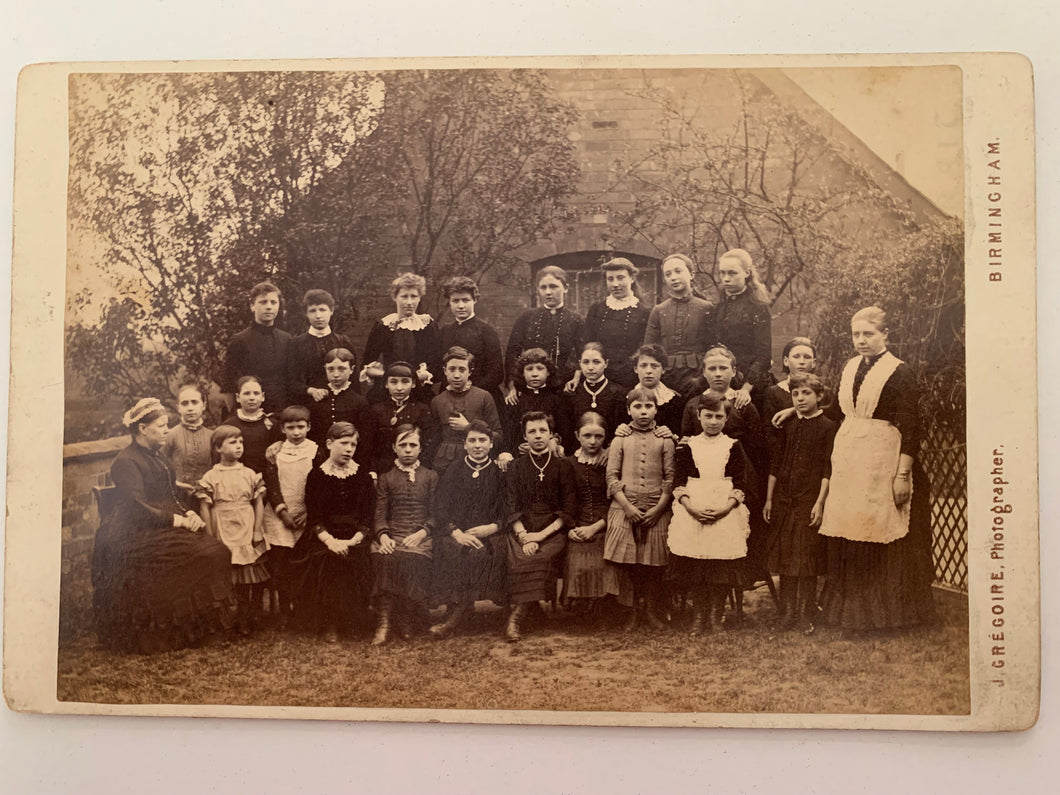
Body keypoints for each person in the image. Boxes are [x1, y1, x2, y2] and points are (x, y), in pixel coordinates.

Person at [816, 306, 935, 632]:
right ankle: (848, 614)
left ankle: (888, 616)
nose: (861, 340)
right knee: (851, 528)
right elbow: (839, 411)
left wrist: (902, 475)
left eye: (868, 334)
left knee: (879, 527)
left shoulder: (900, 372)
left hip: (884, 459)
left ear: (885, 335)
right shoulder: (851, 366)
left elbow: (912, 427)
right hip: (851, 459)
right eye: (856, 334)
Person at [91, 398, 235, 653]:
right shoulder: (126, 462)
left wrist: (190, 513)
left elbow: (170, 494)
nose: (167, 430)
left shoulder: (157, 457)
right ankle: (171, 631)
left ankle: (198, 627)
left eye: (167, 424)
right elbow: (138, 507)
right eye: (161, 425)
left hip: (159, 524)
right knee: (205, 554)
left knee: (216, 549)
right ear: (143, 429)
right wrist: (178, 521)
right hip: (131, 533)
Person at [680, 345, 771, 594]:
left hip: (737, 478)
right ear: (704, 373)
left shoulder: (744, 404)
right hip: (702, 478)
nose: (718, 373)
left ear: (734, 372)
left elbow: (757, 450)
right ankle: (701, 592)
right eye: (712, 368)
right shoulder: (693, 405)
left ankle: (730, 583)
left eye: (723, 368)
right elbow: (686, 441)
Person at [668, 393, 752, 635]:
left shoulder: (733, 446)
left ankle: (717, 615)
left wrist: (725, 508)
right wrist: (690, 507)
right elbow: (678, 481)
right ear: (698, 416)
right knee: (697, 567)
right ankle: (699, 615)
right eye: (708, 416)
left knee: (719, 566)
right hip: (693, 507)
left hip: (724, 510)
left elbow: (740, 482)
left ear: (726, 419)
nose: (713, 422)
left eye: (718, 417)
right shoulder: (687, 446)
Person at [764, 373, 836, 634]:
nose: (801, 398)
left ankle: (806, 614)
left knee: (806, 560)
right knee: (786, 559)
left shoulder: (828, 427)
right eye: (796, 394)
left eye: (806, 393)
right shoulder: (788, 426)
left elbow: (829, 468)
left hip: (808, 501)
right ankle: (786, 614)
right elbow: (776, 463)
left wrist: (820, 503)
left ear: (819, 396)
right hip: (784, 500)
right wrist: (770, 498)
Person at [290, 422, 375, 642]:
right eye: (344, 443)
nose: (349, 449)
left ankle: (355, 620)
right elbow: (315, 518)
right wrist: (331, 541)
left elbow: (367, 518)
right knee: (327, 560)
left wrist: (352, 540)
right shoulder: (317, 476)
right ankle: (330, 622)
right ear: (329, 444)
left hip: (356, 535)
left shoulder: (362, 476)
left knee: (358, 558)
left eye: (353, 444)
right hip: (324, 534)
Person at [604, 385, 675, 631]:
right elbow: (612, 477)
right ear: (628, 410)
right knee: (629, 564)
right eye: (638, 406)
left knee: (653, 564)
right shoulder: (620, 439)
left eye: (648, 406)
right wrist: (627, 507)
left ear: (656, 409)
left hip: (657, 507)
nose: (643, 412)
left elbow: (670, 478)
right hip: (624, 506)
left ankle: (651, 609)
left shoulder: (665, 439)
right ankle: (632, 611)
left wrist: (658, 509)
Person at [429, 420, 509, 639]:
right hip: (458, 532)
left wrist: (491, 527)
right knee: (451, 549)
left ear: (491, 444)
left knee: (490, 552)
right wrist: (456, 532)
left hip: (491, 532)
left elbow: (508, 507)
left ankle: (463, 615)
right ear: (464, 444)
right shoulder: (454, 469)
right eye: (472, 441)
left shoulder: (499, 471)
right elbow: (441, 506)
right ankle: (456, 611)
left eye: (482, 440)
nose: (477, 445)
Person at [504, 411, 578, 642]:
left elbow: (569, 508)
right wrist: (524, 535)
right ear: (524, 437)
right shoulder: (515, 467)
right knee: (518, 557)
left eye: (542, 431)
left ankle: (517, 616)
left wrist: (540, 536)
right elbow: (510, 505)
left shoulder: (563, 466)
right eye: (532, 432)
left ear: (551, 434)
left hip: (553, 530)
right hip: (522, 529)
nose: (537, 436)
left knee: (539, 557)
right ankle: (529, 609)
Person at [197, 425, 269, 635]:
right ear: (218, 448)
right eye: (232, 442)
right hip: (224, 525)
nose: (239, 446)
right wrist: (210, 537)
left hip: (246, 524)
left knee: (252, 572)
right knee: (232, 574)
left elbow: (258, 503)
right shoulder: (211, 476)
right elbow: (205, 507)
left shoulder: (249, 474)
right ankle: (234, 618)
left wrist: (257, 530)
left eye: (241, 442)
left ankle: (251, 614)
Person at [371, 425, 438, 645]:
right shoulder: (386, 477)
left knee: (413, 557)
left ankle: (406, 617)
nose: (408, 450)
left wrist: (422, 532)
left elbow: (436, 513)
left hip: (420, 535)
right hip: (394, 533)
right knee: (385, 556)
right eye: (403, 445)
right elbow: (380, 513)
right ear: (394, 448)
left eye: (413, 445)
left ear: (420, 448)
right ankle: (385, 621)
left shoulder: (430, 476)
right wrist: (383, 536)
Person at [261, 405, 318, 630]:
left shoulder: (316, 451)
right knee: (281, 564)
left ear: (309, 427)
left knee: (302, 564)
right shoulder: (274, 453)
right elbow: (271, 483)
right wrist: (282, 511)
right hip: (279, 516)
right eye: (290, 428)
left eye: (300, 427)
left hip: (305, 513)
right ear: (282, 429)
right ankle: (284, 611)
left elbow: (316, 485)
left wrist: (307, 512)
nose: (296, 432)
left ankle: (303, 609)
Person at [503, 266, 584, 404]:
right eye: (543, 287)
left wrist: (576, 378)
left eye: (553, 287)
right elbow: (512, 354)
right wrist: (512, 386)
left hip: (563, 389)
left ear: (566, 288)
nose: (548, 292)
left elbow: (582, 355)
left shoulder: (576, 320)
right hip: (529, 388)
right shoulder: (526, 317)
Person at [561, 412, 613, 623]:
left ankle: (601, 604)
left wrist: (596, 527)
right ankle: (581, 603)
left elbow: (616, 502)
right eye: (587, 435)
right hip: (578, 521)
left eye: (598, 436)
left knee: (604, 554)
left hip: (608, 520)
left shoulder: (612, 462)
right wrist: (571, 527)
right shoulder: (568, 463)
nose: (593, 441)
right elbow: (566, 500)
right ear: (577, 435)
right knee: (577, 554)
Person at [361, 272, 443, 403]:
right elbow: (367, 363)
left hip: (419, 391)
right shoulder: (383, 326)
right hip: (388, 391)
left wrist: (420, 376)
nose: (409, 302)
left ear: (419, 297)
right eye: (404, 296)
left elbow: (437, 365)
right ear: (395, 297)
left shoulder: (428, 326)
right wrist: (385, 375)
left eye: (414, 296)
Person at [710, 248, 774, 412]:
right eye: (722, 273)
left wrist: (746, 388)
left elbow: (764, 355)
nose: (725, 278)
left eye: (732, 273)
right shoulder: (720, 305)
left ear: (746, 273)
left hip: (750, 385)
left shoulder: (758, 306)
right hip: (722, 380)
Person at [643, 253, 713, 400]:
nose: (673, 277)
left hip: (699, 377)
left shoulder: (707, 308)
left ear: (691, 274)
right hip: (667, 379)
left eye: (678, 271)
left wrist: (702, 378)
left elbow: (713, 348)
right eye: (668, 274)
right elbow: (649, 350)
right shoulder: (658, 310)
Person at [430, 346, 507, 477]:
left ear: (470, 371)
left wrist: (468, 427)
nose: (457, 375)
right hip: (444, 464)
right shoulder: (437, 401)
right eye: (452, 369)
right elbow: (434, 439)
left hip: (478, 461)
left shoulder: (483, 396)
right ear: (445, 371)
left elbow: (498, 436)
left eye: (462, 369)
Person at [580, 257, 651, 389]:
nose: (615, 284)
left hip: (630, 377)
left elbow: (645, 347)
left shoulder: (644, 312)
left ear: (632, 278)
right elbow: (587, 343)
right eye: (610, 279)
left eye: (620, 278)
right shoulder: (597, 309)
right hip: (600, 376)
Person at [222, 281, 292, 414]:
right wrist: (237, 414)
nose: (269, 307)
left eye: (273, 302)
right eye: (263, 302)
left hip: (281, 411)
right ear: (252, 306)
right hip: (250, 412)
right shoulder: (240, 340)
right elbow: (228, 383)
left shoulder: (286, 339)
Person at [306, 348, 375, 469]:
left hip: (351, 461)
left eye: (342, 369)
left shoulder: (360, 402)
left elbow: (366, 440)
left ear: (352, 370)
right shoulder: (317, 401)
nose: (336, 374)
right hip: (320, 461)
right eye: (330, 369)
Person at [439, 276, 505, 400]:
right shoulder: (445, 331)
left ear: (474, 300)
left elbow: (496, 373)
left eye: (465, 300)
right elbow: (440, 368)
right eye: (455, 301)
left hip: (481, 395)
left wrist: (470, 393)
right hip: (450, 395)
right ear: (449, 302)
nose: (461, 306)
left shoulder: (486, 331)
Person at [286, 289, 355, 406]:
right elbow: (291, 380)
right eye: (312, 311)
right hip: (308, 403)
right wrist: (310, 390)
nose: (318, 316)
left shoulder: (343, 341)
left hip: (340, 403)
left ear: (331, 311)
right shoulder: (296, 344)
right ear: (306, 314)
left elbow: (353, 377)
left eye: (322, 310)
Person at [761, 337, 838, 439]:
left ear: (814, 363)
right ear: (786, 361)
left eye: (807, 357)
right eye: (796, 357)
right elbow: (769, 432)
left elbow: (832, 425)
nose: (802, 362)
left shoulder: (825, 392)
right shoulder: (773, 392)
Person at [368, 361, 435, 476]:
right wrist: (373, 471)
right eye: (393, 382)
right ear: (386, 384)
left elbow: (428, 443)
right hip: (384, 469)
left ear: (413, 384)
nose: (399, 388)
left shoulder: (421, 410)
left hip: (413, 469)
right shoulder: (376, 411)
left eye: (405, 382)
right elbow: (370, 445)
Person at [503, 347, 574, 455]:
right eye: (529, 369)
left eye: (540, 368)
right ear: (522, 373)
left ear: (548, 372)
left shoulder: (557, 400)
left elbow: (566, 432)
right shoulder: (516, 400)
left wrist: (555, 440)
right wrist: (519, 447)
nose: (534, 374)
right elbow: (509, 435)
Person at [567, 342, 627, 445]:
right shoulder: (574, 392)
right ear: (580, 363)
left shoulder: (618, 392)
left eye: (596, 362)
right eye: (586, 362)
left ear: (606, 363)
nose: (590, 367)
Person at [223, 375, 281, 474]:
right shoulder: (228, 425)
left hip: (267, 478)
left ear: (263, 397)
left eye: (256, 393)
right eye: (246, 393)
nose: (252, 398)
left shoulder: (273, 424)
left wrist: (280, 442)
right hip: (237, 477)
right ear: (237, 397)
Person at [163, 382, 214, 490]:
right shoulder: (170, 435)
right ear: (178, 408)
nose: (190, 408)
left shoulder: (212, 436)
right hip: (178, 494)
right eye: (185, 403)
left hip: (208, 494)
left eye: (194, 402)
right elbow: (160, 468)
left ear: (203, 406)